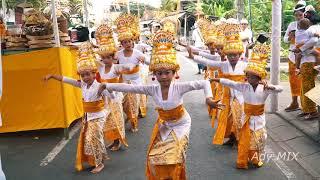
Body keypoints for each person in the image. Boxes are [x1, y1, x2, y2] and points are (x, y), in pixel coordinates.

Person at [98, 30, 224, 179]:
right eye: (159, 73)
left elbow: (204, 82)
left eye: (167, 72)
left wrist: (208, 98)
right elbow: (129, 87)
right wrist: (107, 86)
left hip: (182, 124)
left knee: (175, 157)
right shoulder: (152, 89)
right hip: (164, 124)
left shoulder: (179, 87)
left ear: (174, 72)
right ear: (154, 74)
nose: (163, 76)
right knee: (154, 157)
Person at [210, 43, 283, 169]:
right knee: (246, 141)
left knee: (259, 140)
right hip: (246, 119)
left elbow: (279, 89)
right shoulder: (244, 86)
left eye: (251, 76)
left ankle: (255, 158)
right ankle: (244, 158)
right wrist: (216, 80)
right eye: (247, 76)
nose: (248, 78)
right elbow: (230, 82)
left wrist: (271, 86)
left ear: (259, 77)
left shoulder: (265, 89)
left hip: (259, 120)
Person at [44, 42, 113, 173]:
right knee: (91, 140)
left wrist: (106, 108)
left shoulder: (99, 86)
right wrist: (52, 76)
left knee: (93, 139)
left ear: (94, 73)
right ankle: (100, 158)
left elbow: (110, 96)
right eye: (83, 75)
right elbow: (66, 80)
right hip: (87, 118)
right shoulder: (82, 85)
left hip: (98, 117)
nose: (86, 77)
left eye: (88, 74)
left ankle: (99, 163)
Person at [188, 19, 247, 146]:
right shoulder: (223, 64)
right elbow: (209, 63)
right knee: (225, 117)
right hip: (227, 96)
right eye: (230, 55)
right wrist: (193, 57)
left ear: (240, 54)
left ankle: (240, 138)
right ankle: (232, 137)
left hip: (241, 97)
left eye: (235, 55)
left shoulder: (244, 65)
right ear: (226, 55)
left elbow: (255, 75)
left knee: (240, 118)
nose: (232, 58)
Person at [94, 24, 132, 151]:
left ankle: (118, 142)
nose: (106, 60)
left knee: (116, 119)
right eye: (103, 58)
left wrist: (127, 65)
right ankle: (113, 141)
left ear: (112, 57)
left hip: (115, 97)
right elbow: (92, 59)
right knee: (109, 120)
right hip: (105, 98)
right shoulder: (101, 67)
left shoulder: (115, 68)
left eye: (108, 57)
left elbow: (127, 67)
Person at [115, 14, 149, 132]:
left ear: (132, 41)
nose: (128, 44)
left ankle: (134, 123)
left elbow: (148, 61)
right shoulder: (118, 54)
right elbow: (113, 65)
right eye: (125, 42)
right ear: (122, 44)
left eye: (129, 41)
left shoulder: (137, 53)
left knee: (133, 103)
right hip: (124, 83)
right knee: (124, 104)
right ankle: (129, 117)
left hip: (136, 82)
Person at [293, 8, 320, 120]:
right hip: (308, 60)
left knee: (309, 86)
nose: (301, 18)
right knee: (306, 86)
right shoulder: (309, 28)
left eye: (303, 15)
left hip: (309, 61)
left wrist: (302, 49)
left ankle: (313, 111)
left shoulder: (313, 28)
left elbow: (314, 41)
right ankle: (307, 109)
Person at [283, 1, 305, 112]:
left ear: (305, 14)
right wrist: (290, 37)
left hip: (304, 57)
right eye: (296, 15)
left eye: (300, 15)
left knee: (304, 81)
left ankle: (305, 105)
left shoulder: (309, 24)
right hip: (292, 56)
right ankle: (294, 102)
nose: (298, 17)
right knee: (293, 80)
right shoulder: (292, 25)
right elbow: (285, 39)